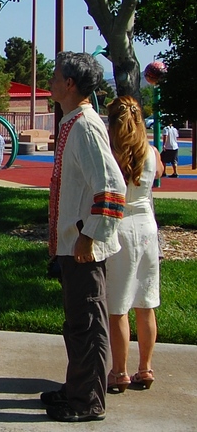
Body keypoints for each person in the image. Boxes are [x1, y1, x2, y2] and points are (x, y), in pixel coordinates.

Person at [40, 51, 126, 423]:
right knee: (78, 321)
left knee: (89, 323)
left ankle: (88, 401)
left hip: (83, 248)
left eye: (56, 75)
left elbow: (111, 187)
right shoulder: (72, 121)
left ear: (70, 84)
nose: (51, 80)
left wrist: (89, 237)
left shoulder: (86, 125)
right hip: (72, 245)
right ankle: (76, 389)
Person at [105, 96, 163, 393]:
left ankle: (119, 371)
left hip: (121, 227)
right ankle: (146, 367)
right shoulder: (151, 152)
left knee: (119, 306)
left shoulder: (112, 154)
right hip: (147, 227)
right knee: (146, 302)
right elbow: (160, 173)